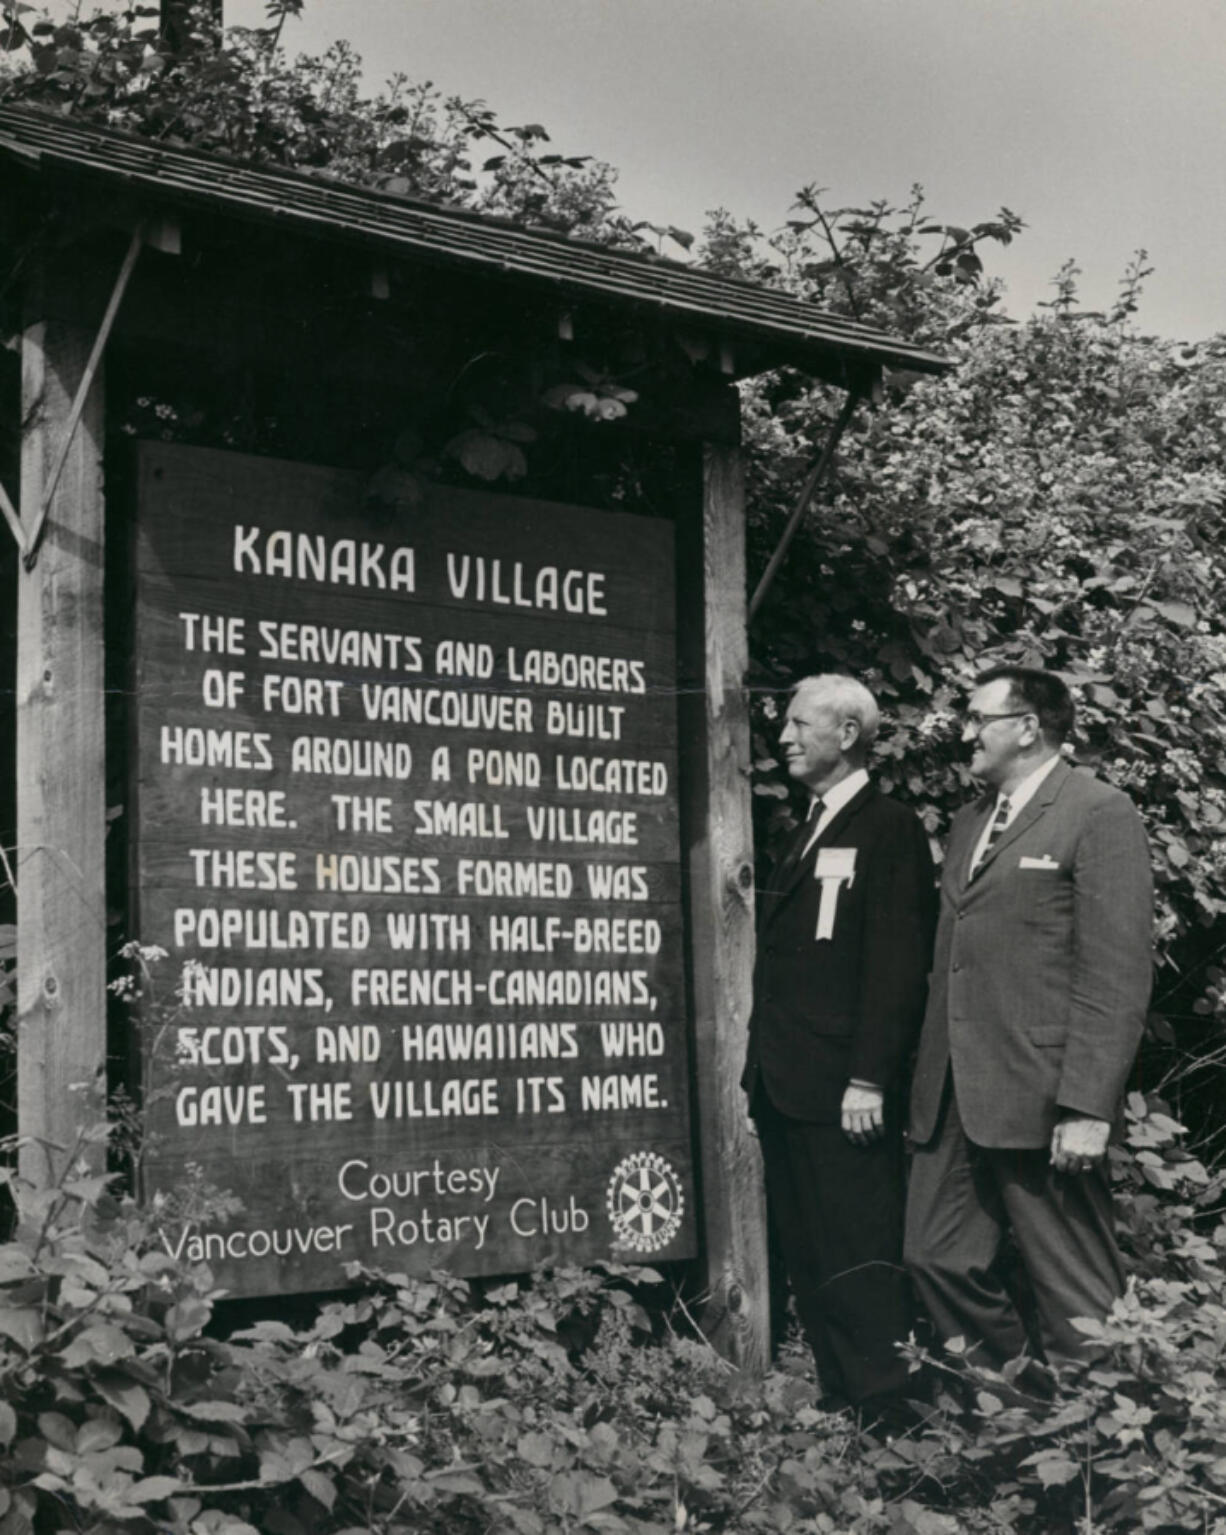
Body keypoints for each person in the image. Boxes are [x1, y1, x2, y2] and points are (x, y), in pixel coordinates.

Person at [904, 665, 1153, 1375]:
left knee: (1079, 1298)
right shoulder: (969, 821)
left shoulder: (1098, 810)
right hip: (952, 1092)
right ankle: (1025, 1436)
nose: (963, 732)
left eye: (977, 717)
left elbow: (1115, 971)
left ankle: (1115, 1475)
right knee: (936, 1259)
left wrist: (1086, 1103)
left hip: (1044, 1094)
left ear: (1027, 726)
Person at [743, 674, 935, 1418]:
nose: (784, 737)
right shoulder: (809, 824)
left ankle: (891, 1413)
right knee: (812, 1250)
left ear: (847, 733)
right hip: (788, 1080)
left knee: (856, 1247)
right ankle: (842, 1399)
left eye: (799, 724)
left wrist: (869, 1077)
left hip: (842, 1089)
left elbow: (894, 963)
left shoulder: (887, 827)